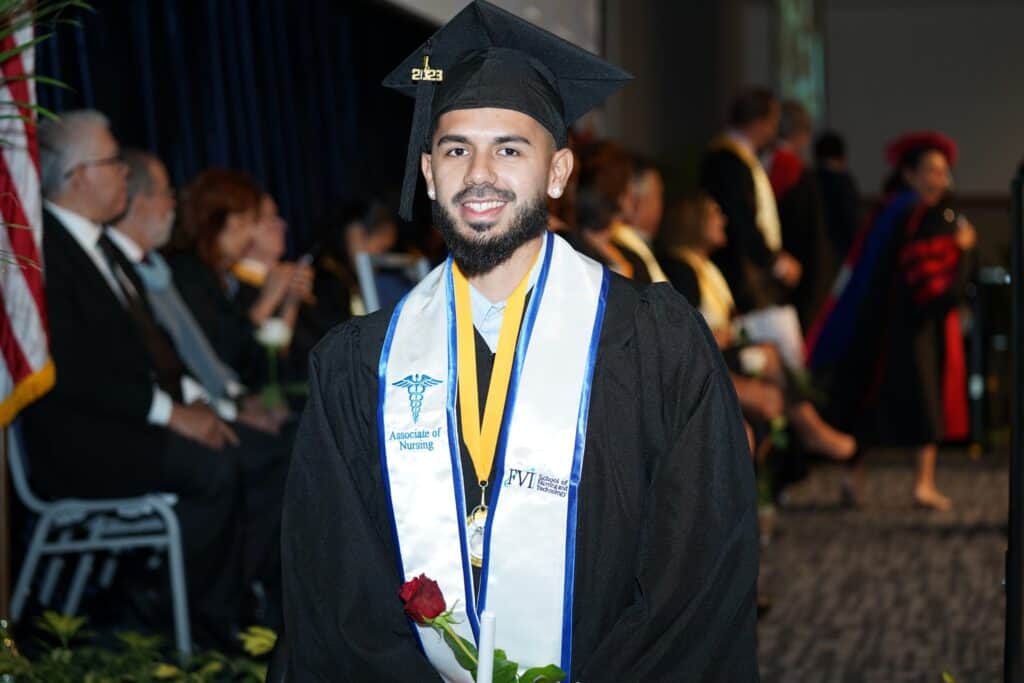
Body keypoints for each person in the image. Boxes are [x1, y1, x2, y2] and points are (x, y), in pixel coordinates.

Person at [282, 2, 759, 680]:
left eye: (510, 147)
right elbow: (335, 592)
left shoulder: (652, 342)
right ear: (427, 173)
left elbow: (696, 576)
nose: (480, 173)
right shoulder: (361, 364)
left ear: (558, 172)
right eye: (456, 149)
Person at [24, 111, 279, 644]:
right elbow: (72, 372)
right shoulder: (45, 253)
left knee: (265, 456)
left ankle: (209, 606)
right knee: (218, 467)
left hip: (124, 422)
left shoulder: (101, 250)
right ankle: (174, 616)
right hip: (76, 440)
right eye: (113, 162)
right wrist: (172, 414)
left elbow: (156, 354)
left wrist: (198, 405)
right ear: (78, 177)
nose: (123, 171)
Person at [807, 131, 976, 510]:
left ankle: (916, 481)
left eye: (943, 170)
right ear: (910, 173)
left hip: (909, 325)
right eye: (931, 169)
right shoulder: (910, 215)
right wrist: (960, 250)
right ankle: (893, 481)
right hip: (896, 327)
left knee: (893, 399)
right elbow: (927, 277)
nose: (939, 178)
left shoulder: (904, 212)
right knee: (890, 400)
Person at [660, 193, 855, 462]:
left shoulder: (704, 266)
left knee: (771, 370)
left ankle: (803, 427)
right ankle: (808, 425)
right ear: (692, 221)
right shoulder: (680, 267)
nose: (723, 220)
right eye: (714, 214)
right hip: (700, 359)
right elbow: (686, 326)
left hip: (718, 353)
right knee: (769, 367)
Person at [110, 150, 284, 434]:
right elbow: (218, 354)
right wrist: (234, 409)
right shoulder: (185, 273)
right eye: (243, 222)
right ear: (215, 222)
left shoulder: (224, 280)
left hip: (221, 402)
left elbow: (260, 363)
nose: (251, 234)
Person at [700, 88, 801, 314]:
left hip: (747, 265)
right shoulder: (727, 160)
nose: (774, 130)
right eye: (772, 122)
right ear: (757, 123)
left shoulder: (741, 158)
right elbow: (740, 217)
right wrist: (773, 261)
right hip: (739, 268)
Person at [767, 101, 835, 328]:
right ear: (803, 135)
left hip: (770, 272)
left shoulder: (760, 166)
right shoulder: (801, 175)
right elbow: (815, 239)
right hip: (801, 274)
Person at [815, 129, 862, 263]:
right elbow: (851, 219)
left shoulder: (809, 179)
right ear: (842, 156)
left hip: (817, 250)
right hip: (840, 251)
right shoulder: (843, 182)